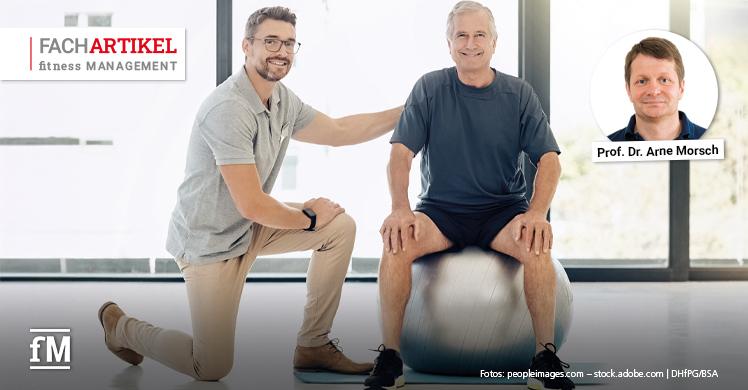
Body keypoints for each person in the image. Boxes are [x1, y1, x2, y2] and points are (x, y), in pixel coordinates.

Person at [97, 6, 402, 381]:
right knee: (210, 367)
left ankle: (313, 345)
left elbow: (339, 131)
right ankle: (122, 327)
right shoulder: (228, 108)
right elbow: (252, 203)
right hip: (210, 242)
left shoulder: (282, 100)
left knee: (339, 228)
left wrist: (407, 110)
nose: (281, 51)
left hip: (248, 225)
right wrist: (307, 219)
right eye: (271, 41)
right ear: (246, 46)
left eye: (289, 43)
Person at [363, 2, 574, 390]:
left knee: (537, 244)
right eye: (461, 35)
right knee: (395, 242)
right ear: (449, 43)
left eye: (479, 35)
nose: (470, 43)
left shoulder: (518, 94)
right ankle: (391, 357)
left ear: (494, 43)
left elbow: (549, 158)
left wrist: (537, 212)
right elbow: (400, 154)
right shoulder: (429, 88)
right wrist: (399, 210)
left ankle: (544, 358)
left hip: (501, 211)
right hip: (441, 212)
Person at [608, 37, 706, 141]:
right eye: (642, 81)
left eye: (664, 80)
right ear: (628, 90)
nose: (654, 92)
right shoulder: (607, 148)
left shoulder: (710, 142)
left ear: (681, 88)